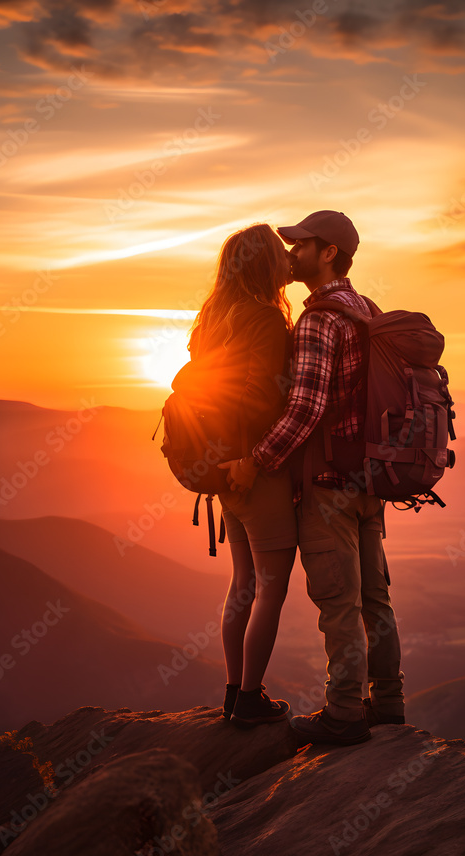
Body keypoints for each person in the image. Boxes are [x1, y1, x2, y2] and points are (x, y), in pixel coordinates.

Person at [222, 211, 404, 746]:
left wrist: (257, 459)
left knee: (337, 602)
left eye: (301, 243)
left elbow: (305, 406)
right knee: (375, 598)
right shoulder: (366, 310)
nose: (292, 251)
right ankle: (388, 704)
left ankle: (344, 714)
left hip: (329, 483)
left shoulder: (318, 320)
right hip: (372, 481)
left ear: (328, 252)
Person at [188, 223, 294, 728]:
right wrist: (255, 458)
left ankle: (234, 692)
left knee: (243, 583)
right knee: (271, 586)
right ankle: (250, 699)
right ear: (264, 265)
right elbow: (261, 399)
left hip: (219, 469)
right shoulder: (265, 319)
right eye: (279, 257)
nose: (287, 265)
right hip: (255, 470)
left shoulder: (211, 318)